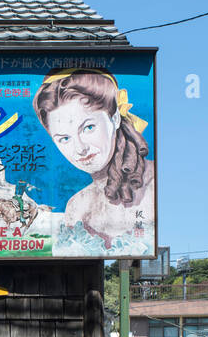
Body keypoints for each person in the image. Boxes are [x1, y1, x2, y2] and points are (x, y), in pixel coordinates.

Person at [32, 68, 154, 251]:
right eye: (64, 139)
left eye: (88, 128)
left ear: (115, 118)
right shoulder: (77, 206)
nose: (80, 148)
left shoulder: (154, 183)